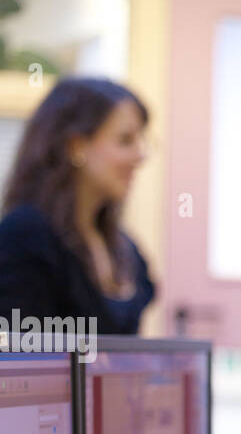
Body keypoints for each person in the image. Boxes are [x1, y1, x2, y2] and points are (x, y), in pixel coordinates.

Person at [0, 77, 154, 335]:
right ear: (76, 146)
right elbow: (17, 364)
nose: (140, 155)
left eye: (141, 140)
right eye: (125, 140)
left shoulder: (126, 249)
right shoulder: (24, 236)